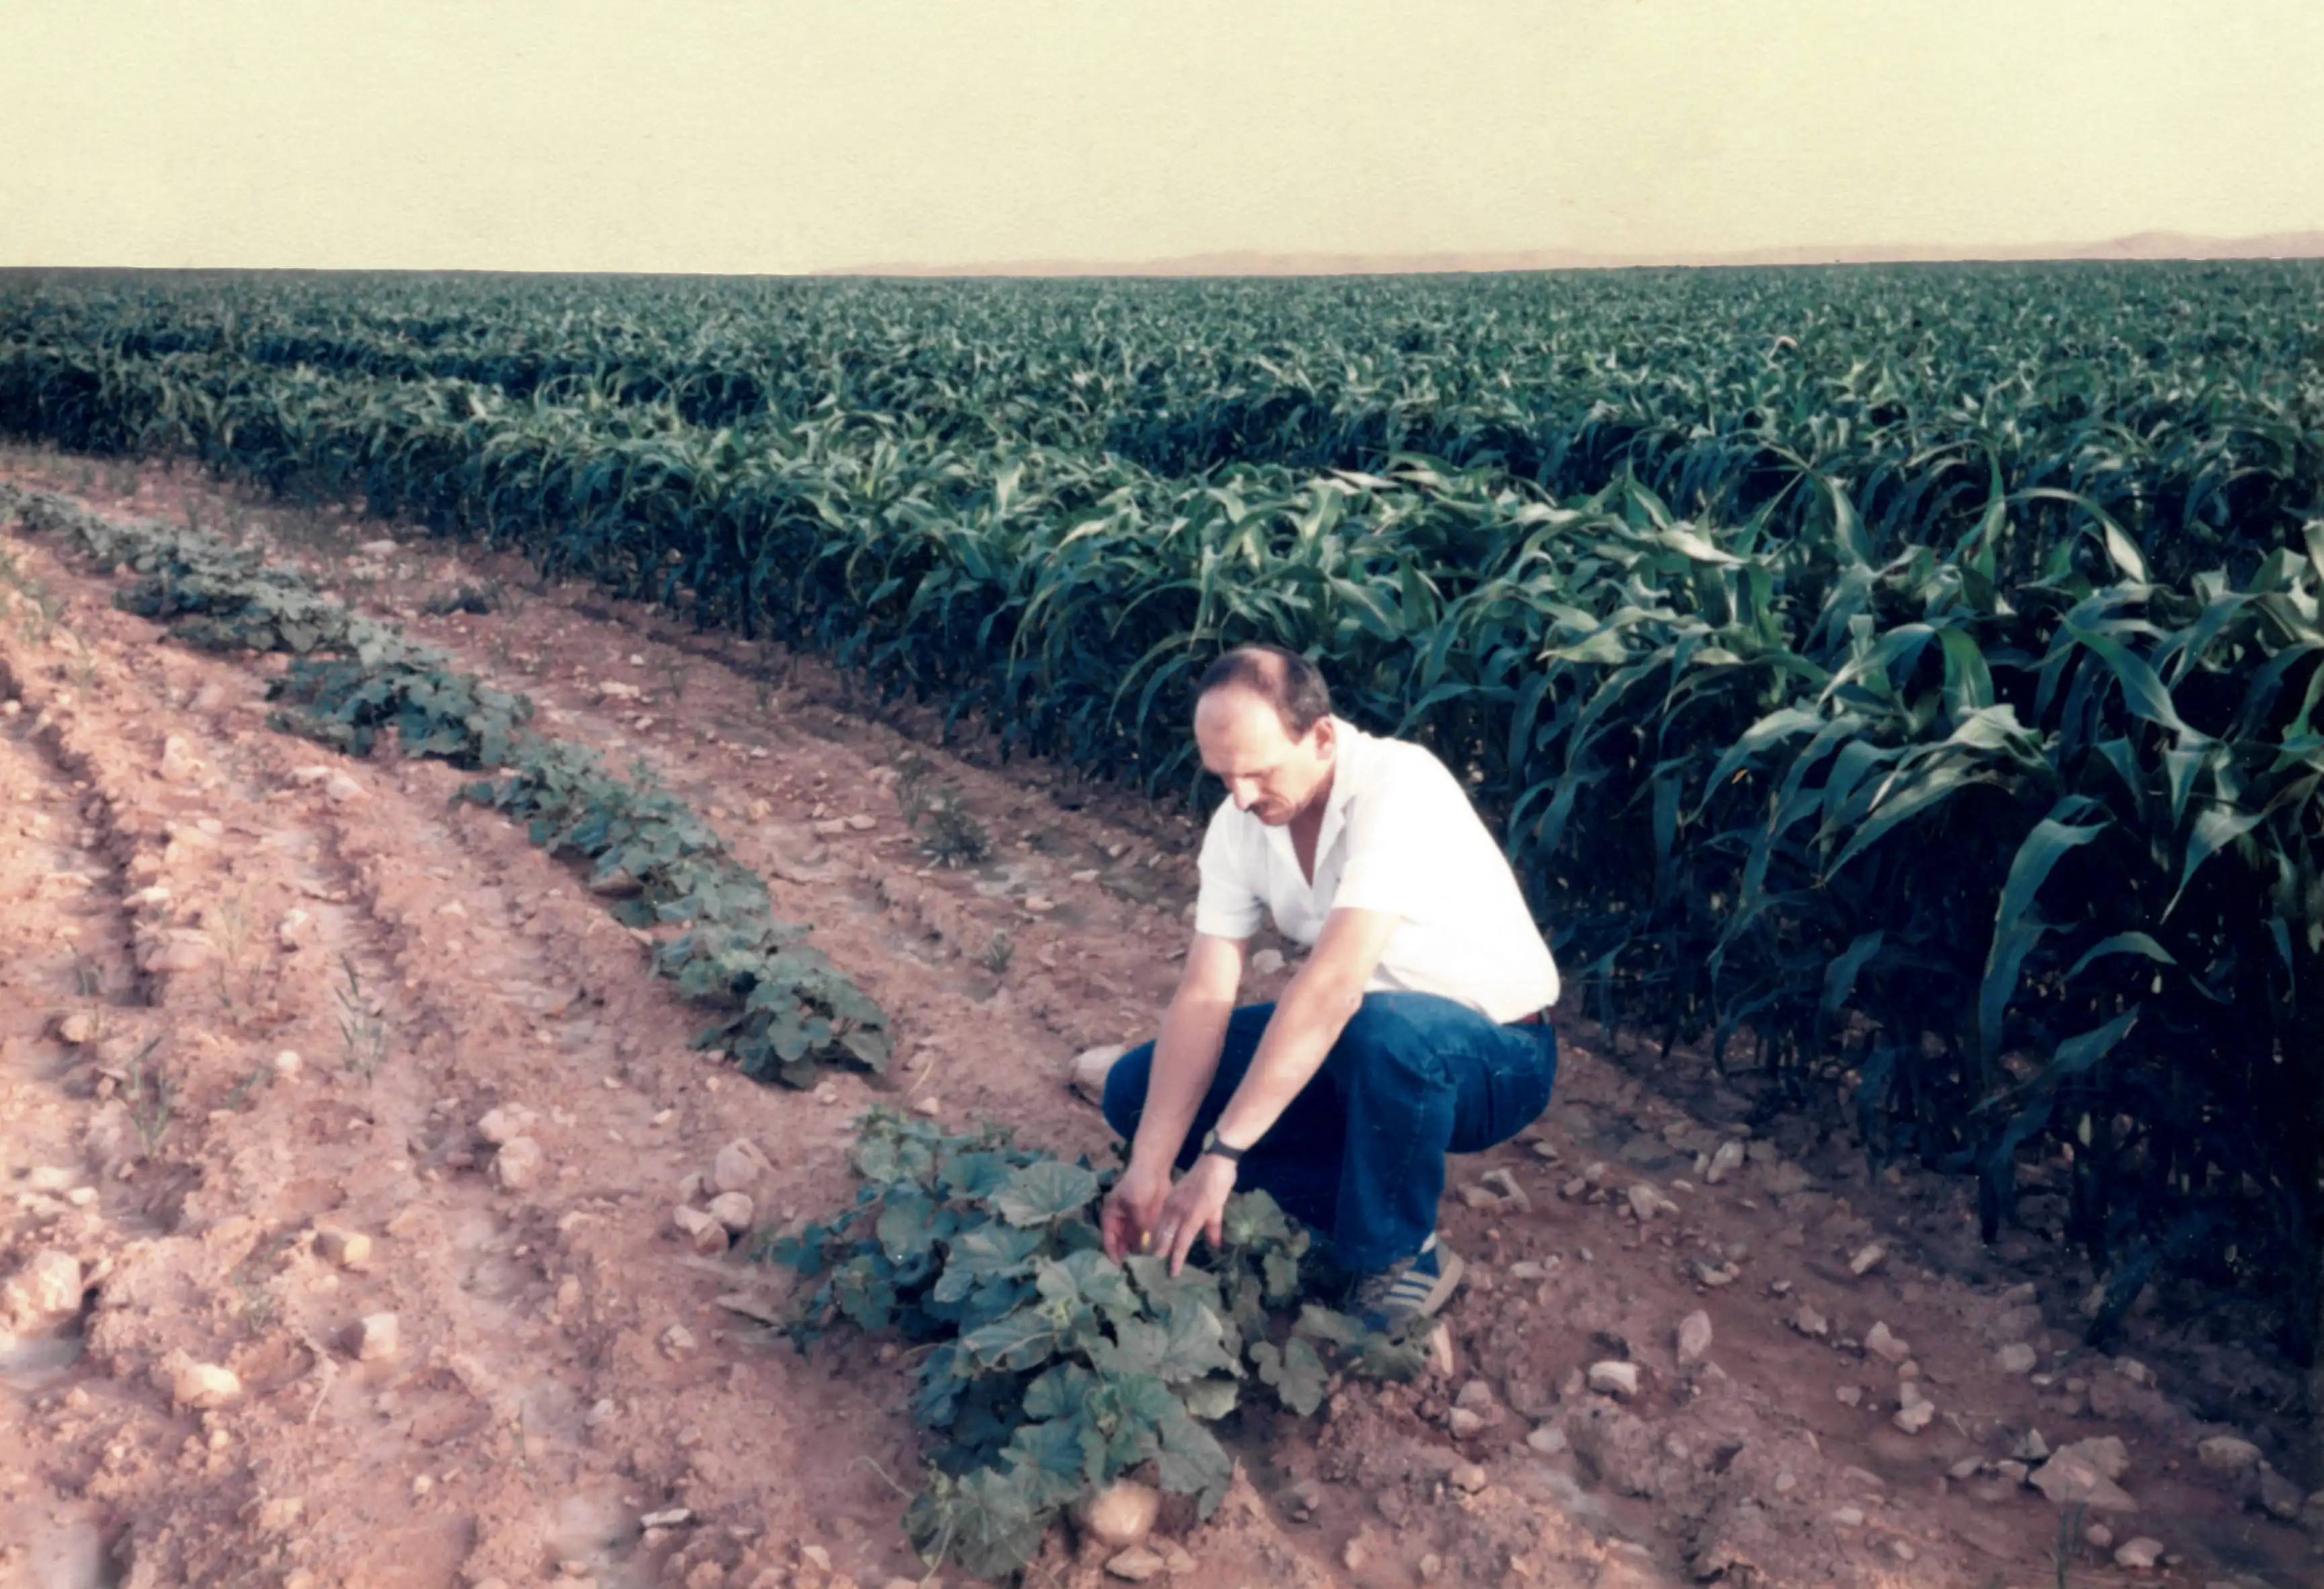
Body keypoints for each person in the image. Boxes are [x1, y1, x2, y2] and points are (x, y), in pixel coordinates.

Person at [1097, 643, 1561, 1333]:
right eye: (1222, 776)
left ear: (1318, 736)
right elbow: (1203, 995)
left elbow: (1333, 984)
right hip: (1360, 1044)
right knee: (1133, 1094)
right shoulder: (1239, 825)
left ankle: (1397, 1256)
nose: (1240, 797)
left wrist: (1222, 1153)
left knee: (1382, 1033)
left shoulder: (1399, 785)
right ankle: (1347, 1201)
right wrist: (1150, 1167)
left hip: (1492, 1053)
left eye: (1256, 773)